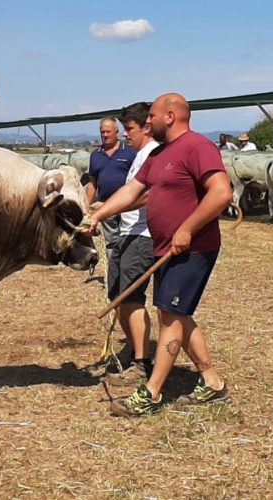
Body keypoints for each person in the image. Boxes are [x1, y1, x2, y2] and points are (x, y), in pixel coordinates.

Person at [86, 92, 232, 417]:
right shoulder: (159, 154)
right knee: (178, 315)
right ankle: (212, 381)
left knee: (169, 316)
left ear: (170, 115)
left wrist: (187, 228)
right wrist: (98, 215)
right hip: (166, 247)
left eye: (152, 116)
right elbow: (131, 191)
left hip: (192, 247)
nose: (147, 121)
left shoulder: (197, 146)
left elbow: (221, 192)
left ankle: (150, 393)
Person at [105, 102, 159, 386]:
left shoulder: (151, 154)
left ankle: (141, 362)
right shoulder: (139, 155)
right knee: (119, 297)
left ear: (146, 128)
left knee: (133, 299)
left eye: (129, 129)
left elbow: (146, 195)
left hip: (142, 235)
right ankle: (133, 354)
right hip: (126, 233)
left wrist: (110, 209)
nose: (126, 135)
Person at [86, 117, 137, 259]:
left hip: (128, 205)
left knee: (128, 239)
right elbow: (92, 184)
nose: (105, 135)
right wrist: (86, 207)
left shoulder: (130, 152)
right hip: (105, 205)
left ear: (117, 132)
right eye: (102, 132)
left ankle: (126, 272)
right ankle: (113, 275)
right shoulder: (95, 155)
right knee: (110, 242)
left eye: (108, 131)